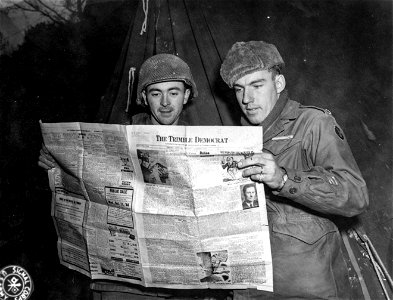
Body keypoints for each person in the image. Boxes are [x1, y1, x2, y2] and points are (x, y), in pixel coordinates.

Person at [38, 54, 232, 300]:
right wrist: (56, 164)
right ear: (143, 97)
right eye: (155, 93)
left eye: (173, 92)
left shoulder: (207, 142)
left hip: (185, 283)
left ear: (186, 95)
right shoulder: (117, 136)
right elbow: (82, 187)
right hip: (126, 285)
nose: (164, 102)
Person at [220, 41, 369, 299]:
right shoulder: (233, 139)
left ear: (278, 84)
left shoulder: (313, 124)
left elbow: (355, 195)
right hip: (250, 289)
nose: (247, 99)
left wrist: (284, 179)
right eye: (239, 89)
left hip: (307, 290)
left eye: (257, 85)